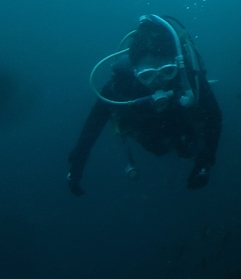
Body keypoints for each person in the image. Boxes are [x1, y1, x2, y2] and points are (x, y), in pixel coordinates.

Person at [67, 15, 221, 196]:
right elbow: (93, 125)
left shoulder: (190, 79)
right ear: (134, 70)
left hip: (181, 126)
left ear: (176, 65)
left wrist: (205, 162)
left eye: (167, 71)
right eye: (147, 75)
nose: (158, 82)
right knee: (157, 146)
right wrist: (78, 161)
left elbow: (214, 117)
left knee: (187, 149)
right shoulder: (119, 86)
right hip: (145, 128)